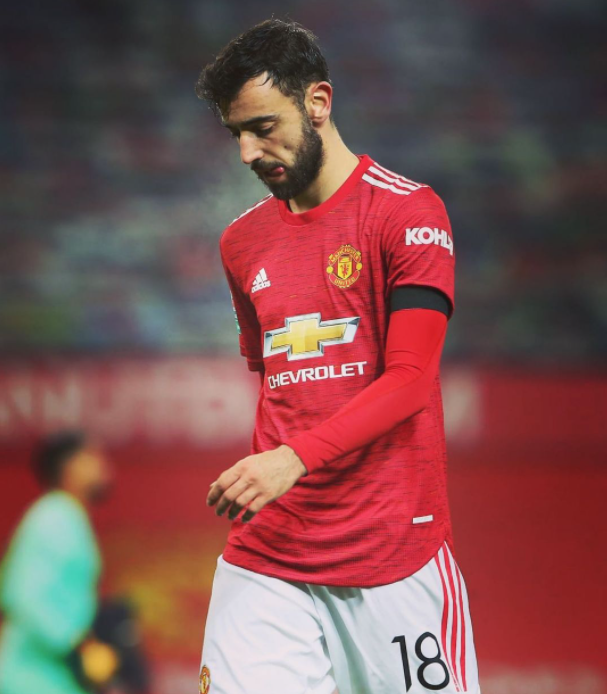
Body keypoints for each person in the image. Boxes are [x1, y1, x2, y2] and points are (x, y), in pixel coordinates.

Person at [196, 18, 480, 694]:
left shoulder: (408, 214)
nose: (248, 151)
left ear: (317, 102)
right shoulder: (241, 244)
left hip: (392, 556)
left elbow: (409, 380)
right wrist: (283, 463)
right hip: (269, 555)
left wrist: (292, 459)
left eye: (263, 127)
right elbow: (279, 382)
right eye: (236, 134)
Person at [0, 431, 117, 694]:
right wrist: (76, 647)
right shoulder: (53, 516)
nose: (103, 465)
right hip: (32, 678)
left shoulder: (68, 515)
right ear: (69, 467)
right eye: (92, 456)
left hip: (54, 677)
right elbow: (22, 595)